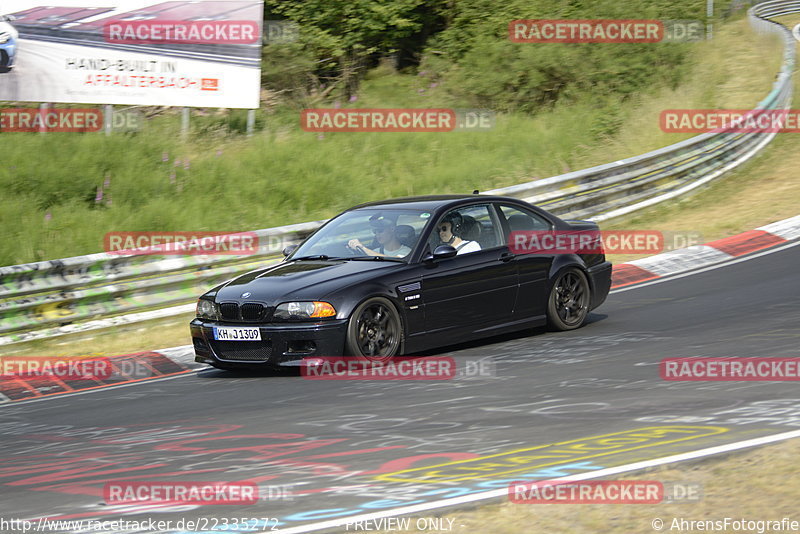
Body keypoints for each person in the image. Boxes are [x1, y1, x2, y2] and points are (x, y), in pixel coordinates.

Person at [348, 215, 412, 258]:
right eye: (375, 232)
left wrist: (363, 248)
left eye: (380, 231)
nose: (377, 234)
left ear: (392, 229)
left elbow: (394, 260)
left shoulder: (407, 252)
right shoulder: (375, 251)